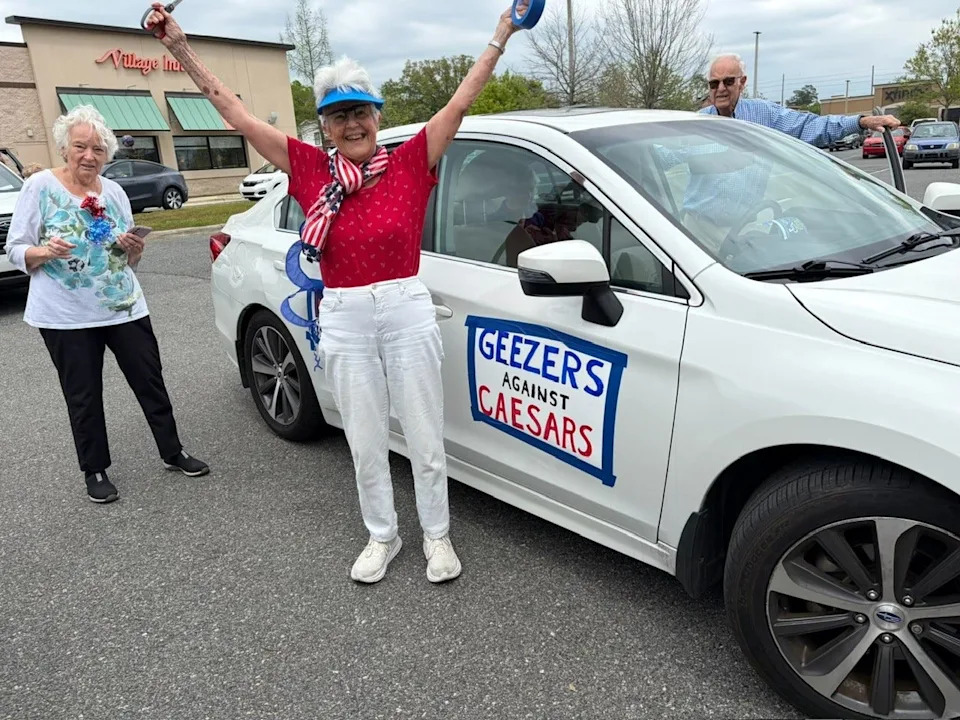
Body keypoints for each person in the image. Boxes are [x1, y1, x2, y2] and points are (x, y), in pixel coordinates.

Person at [144, 1, 531, 583]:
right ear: (323, 125)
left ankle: (437, 535)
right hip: (345, 313)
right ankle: (383, 536)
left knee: (425, 433)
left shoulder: (409, 164)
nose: (352, 124)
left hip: (404, 307)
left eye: (361, 112)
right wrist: (179, 47)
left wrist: (503, 31)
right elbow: (238, 117)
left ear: (377, 116)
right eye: (338, 115)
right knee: (365, 439)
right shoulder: (308, 170)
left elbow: (461, 100)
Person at [4, 105, 209, 504]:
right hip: (65, 314)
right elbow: (15, 249)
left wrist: (134, 249)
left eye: (98, 149)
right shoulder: (40, 187)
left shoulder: (113, 191)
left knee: (150, 380)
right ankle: (95, 469)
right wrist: (44, 251)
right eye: (80, 146)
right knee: (83, 393)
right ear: (65, 147)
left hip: (124, 305)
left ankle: (173, 451)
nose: (89, 155)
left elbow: (128, 258)